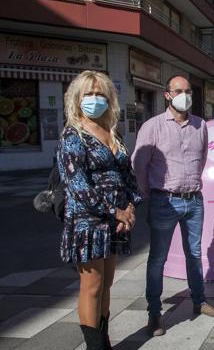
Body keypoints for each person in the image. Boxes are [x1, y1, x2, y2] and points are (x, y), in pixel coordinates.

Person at [132, 75, 214, 338]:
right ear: (167, 95)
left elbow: (203, 156)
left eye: (188, 91)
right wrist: (147, 189)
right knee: (158, 259)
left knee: (194, 254)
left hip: (194, 200)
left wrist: (192, 182)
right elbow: (139, 162)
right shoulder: (152, 127)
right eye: (178, 91)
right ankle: (154, 314)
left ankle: (199, 301)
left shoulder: (200, 125)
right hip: (164, 200)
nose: (184, 95)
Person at [57, 70, 141, 349]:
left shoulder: (112, 133)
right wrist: (115, 212)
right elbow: (77, 184)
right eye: (89, 94)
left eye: (100, 94)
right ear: (77, 99)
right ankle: (95, 346)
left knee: (106, 285)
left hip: (115, 221)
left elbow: (128, 177)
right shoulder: (73, 135)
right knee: (91, 286)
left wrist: (129, 209)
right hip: (87, 221)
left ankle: (103, 340)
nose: (95, 99)